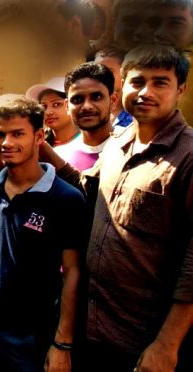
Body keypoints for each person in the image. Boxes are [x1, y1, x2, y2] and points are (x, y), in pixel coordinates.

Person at [41, 45, 193, 371]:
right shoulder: (118, 144)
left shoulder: (188, 157)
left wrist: (168, 343)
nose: (146, 92)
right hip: (94, 329)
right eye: (138, 82)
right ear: (123, 85)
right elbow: (85, 186)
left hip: (144, 342)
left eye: (160, 82)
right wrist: (39, 146)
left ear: (180, 88)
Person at [0, 96, 84, 372]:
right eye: (0, 134)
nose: (7, 143)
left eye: (17, 134)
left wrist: (63, 343)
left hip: (29, 333)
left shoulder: (65, 198)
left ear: (39, 136)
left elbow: (72, 271)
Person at [60, 62, 117, 171]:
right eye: (77, 99)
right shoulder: (60, 158)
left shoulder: (134, 148)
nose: (87, 106)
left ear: (113, 100)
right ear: (67, 106)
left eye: (96, 97)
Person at [26, 77, 80, 149]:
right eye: (44, 106)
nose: (48, 112)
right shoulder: (38, 147)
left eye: (56, 104)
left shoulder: (90, 142)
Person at [94, 47, 134, 129]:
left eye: (109, 71)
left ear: (124, 73)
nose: (101, 75)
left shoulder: (137, 114)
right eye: (96, 71)